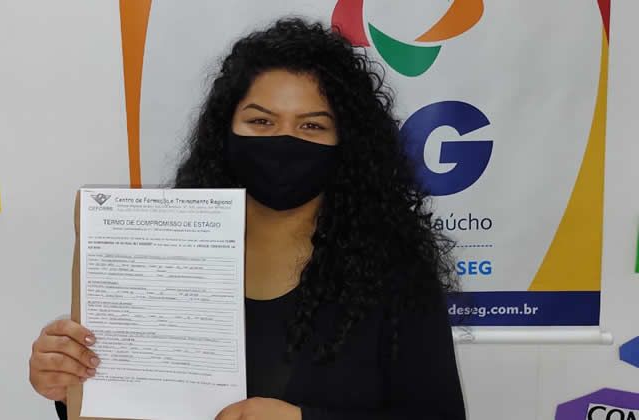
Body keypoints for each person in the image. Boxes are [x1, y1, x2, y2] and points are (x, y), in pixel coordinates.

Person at [29, 18, 465, 420]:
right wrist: (69, 384)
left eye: (312, 126)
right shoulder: (161, 259)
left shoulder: (394, 271)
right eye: (261, 121)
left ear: (347, 143)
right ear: (225, 132)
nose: (284, 141)